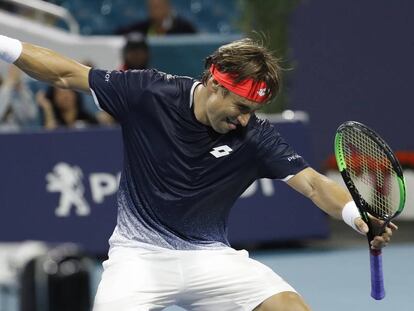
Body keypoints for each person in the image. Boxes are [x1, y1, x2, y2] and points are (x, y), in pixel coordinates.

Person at [0, 34, 396, 311]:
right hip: (139, 257)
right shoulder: (150, 93)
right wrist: (4, 45)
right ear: (213, 83)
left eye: (251, 111)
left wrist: (357, 217)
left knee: (290, 307)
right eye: (239, 107)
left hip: (211, 258)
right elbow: (66, 73)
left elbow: (313, 184)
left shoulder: (255, 135)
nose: (244, 121)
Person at [116, 0, 196, 36]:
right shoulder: (144, 27)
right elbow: (121, 32)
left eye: (157, 7)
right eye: (151, 7)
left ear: (167, 6)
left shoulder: (184, 28)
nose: (154, 11)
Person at [0, 65, 39, 131]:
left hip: (19, 134)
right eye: (11, 70)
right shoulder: (5, 91)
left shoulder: (23, 91)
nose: (14, 73)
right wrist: (7, 87)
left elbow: (32, 115)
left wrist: (22, 92)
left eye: (17, 71)